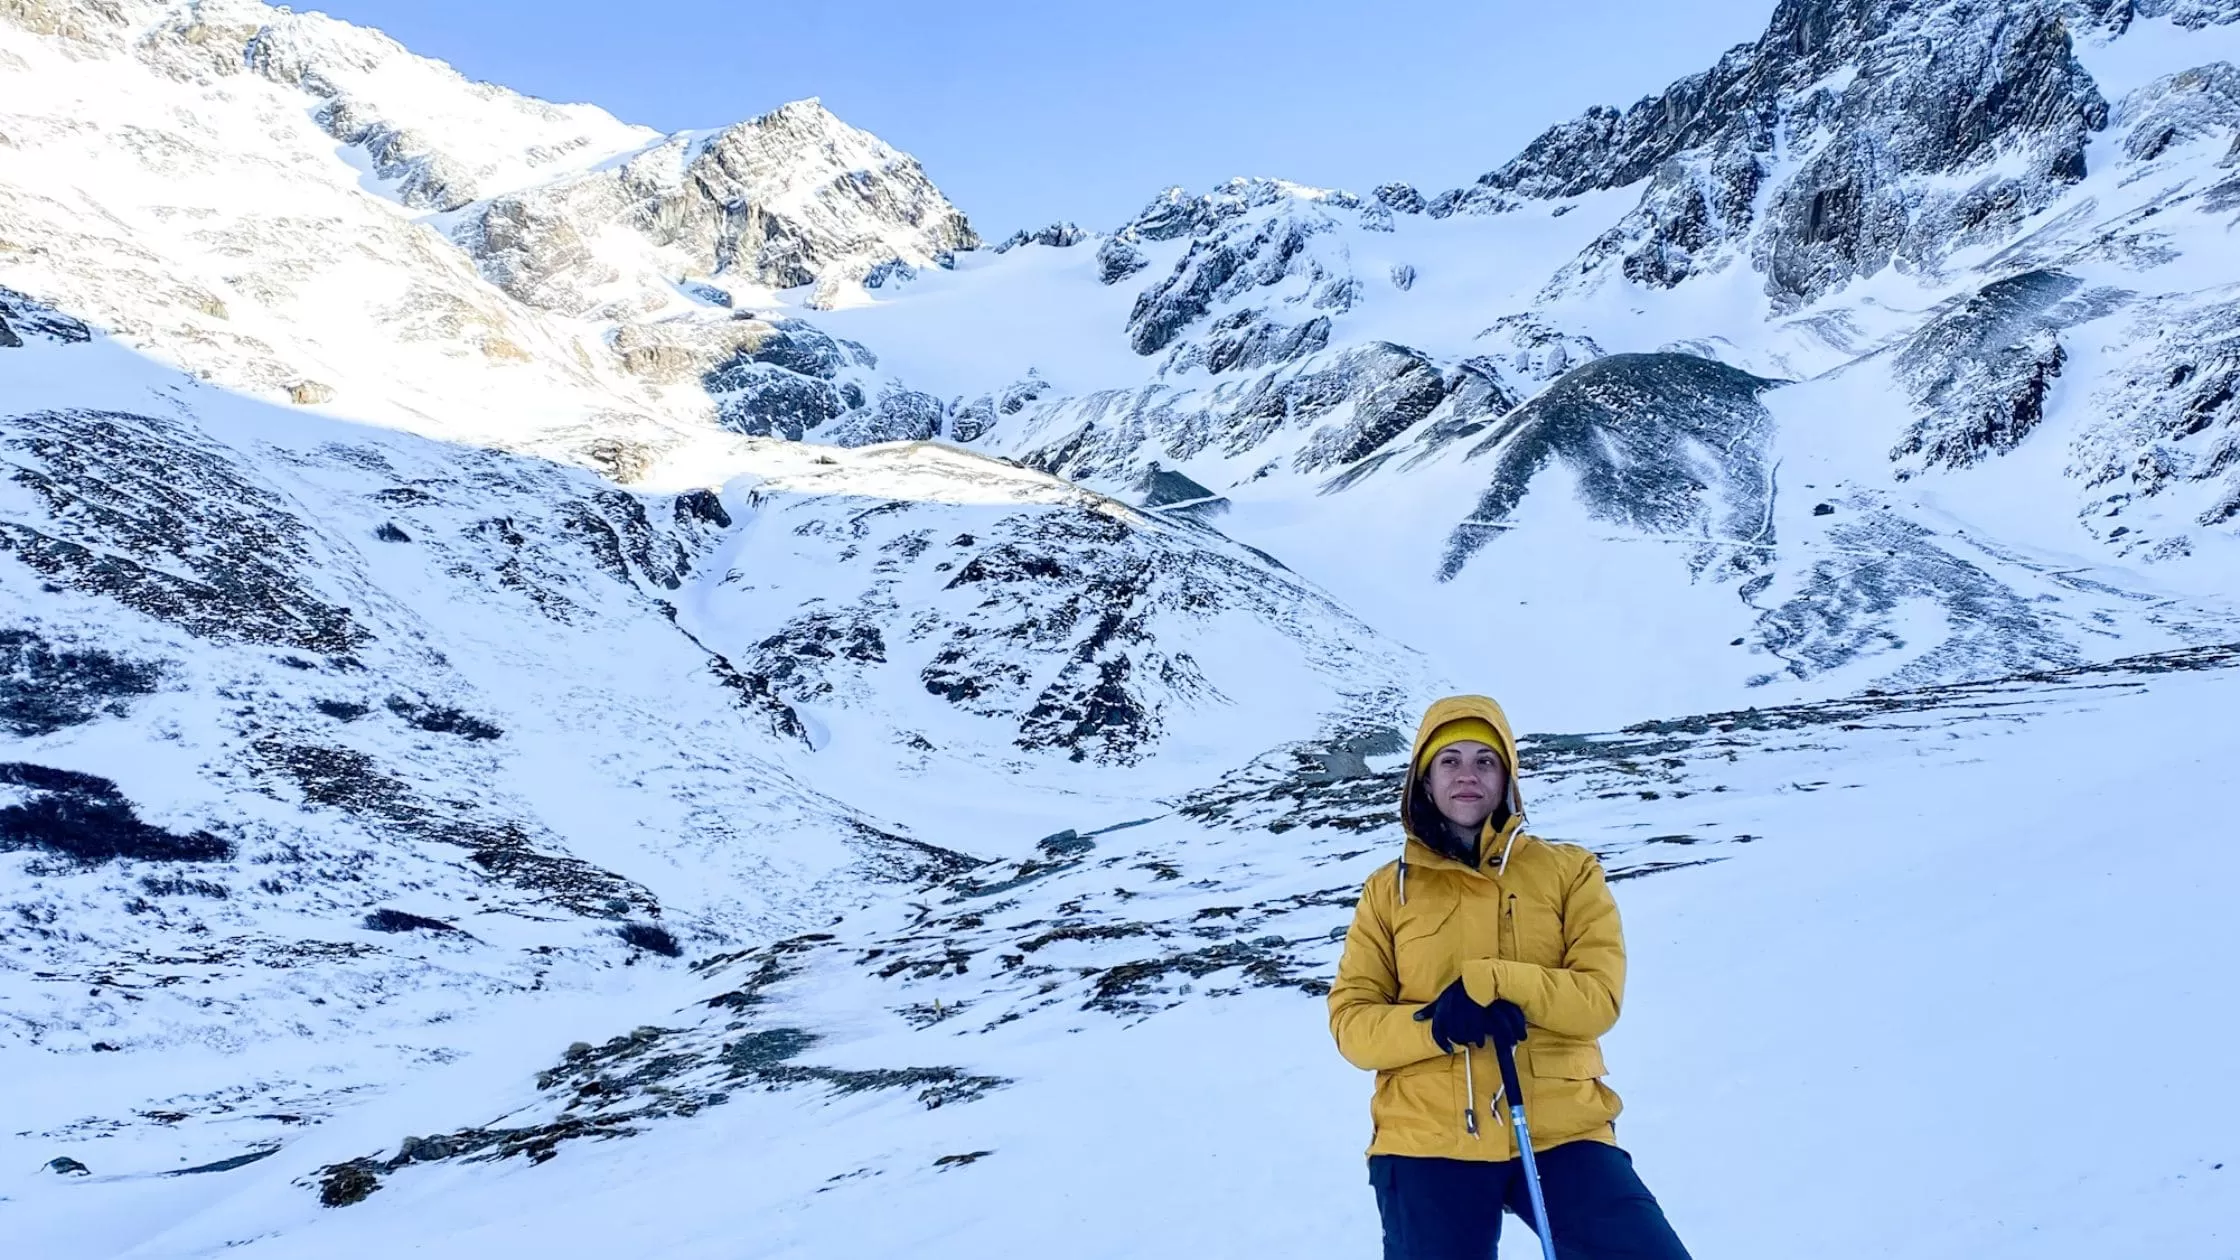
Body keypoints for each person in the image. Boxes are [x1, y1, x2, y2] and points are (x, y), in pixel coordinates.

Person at [1328, 694, 1692, 1260]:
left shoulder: (1570, 871)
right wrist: (1437, 1025)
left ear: (1507, 778)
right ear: (1424, 780)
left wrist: (1501, 982)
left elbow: (1598, 1000)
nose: (1467, 775)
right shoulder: (1387, 891)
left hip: (1560, 1126)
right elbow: (1352, 1024)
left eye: (1485, 760)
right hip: (1425, 1136)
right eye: (1449, 761)